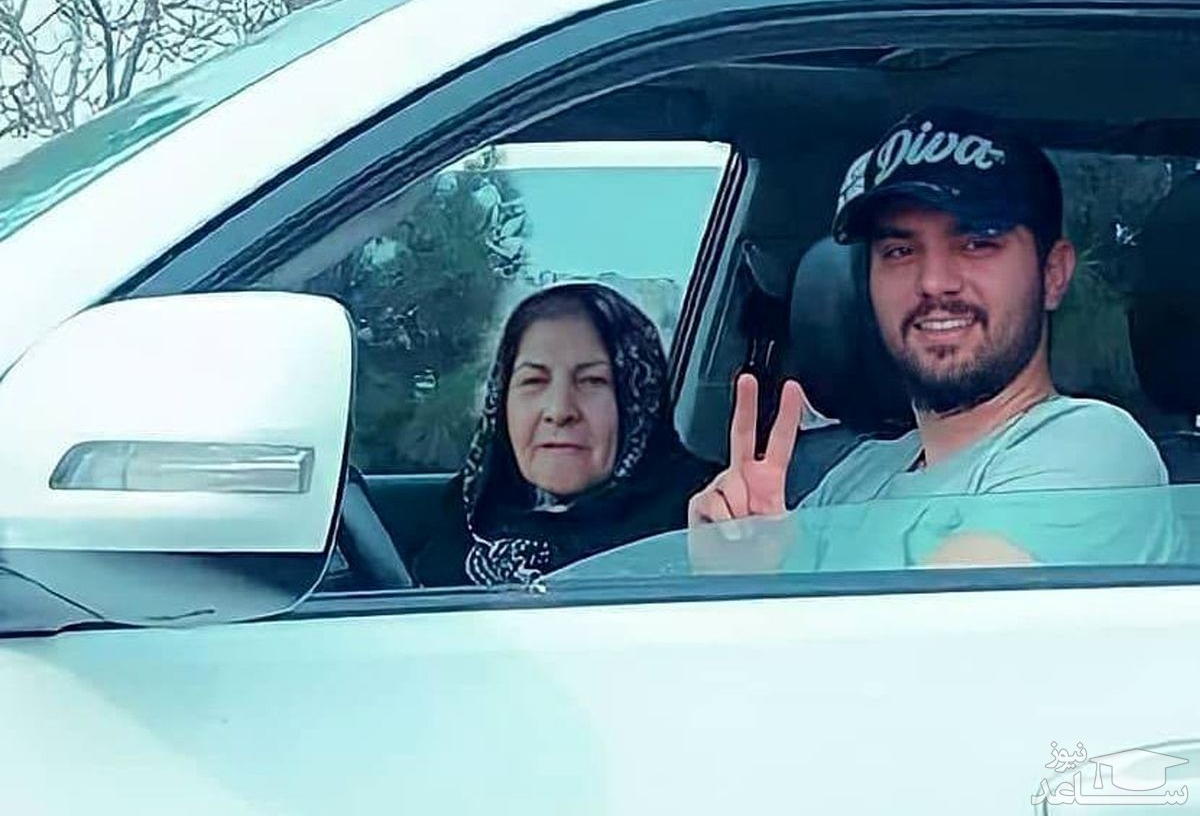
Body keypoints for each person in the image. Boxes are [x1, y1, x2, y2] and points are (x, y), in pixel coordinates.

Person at [688, 107, 1176, 569]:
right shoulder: (854, 475)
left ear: (1052, 274)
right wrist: (739, 570)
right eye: (900, 251)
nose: (933, 282)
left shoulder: (1096, 449)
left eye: (977, 243)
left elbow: (939, 624)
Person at [410, 282, 715, 586]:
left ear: (639, 399)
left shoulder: (703, 521)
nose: (559, 410)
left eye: (592, 381)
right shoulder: (467, 513)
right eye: (533, 381)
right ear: (501, 399)